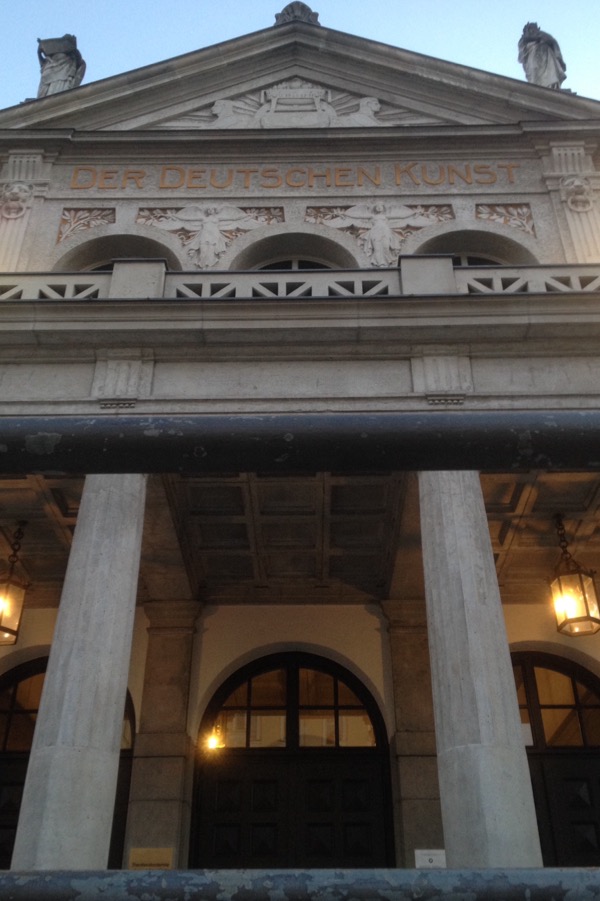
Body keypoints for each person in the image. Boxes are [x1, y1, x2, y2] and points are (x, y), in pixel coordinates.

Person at [518, 23, 566, 90]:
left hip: (547, 57)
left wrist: (559, 58)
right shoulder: (524, 40)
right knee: (534, 72)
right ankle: (535, 89)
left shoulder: (543, 35)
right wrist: (536, 38)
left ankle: (552, 87)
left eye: (534, 28)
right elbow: (522, 54)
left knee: (550, 73)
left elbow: (553, 42)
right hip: (533, 57)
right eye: (530, 29)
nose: (532, 30)